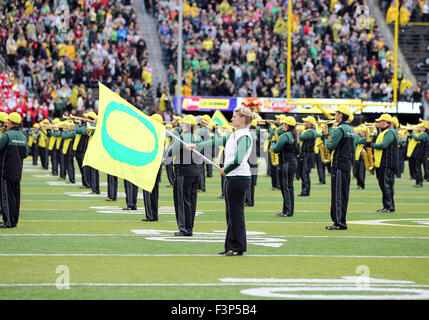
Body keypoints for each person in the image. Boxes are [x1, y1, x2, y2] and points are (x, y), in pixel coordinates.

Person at [191, 106, 258, 256]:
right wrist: (196, 145)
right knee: (230, 213)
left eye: (234, 117)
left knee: (236, 213)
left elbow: (239, 159)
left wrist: (225, 170)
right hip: (232, 177)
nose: (231, 119)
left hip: (239, 178)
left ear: (242, 119)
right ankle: (230, 246)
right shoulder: (234, 134)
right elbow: (217, 141)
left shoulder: (244, 136)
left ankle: (238, 247)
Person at [168, 114, 202, 236]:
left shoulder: (182, 137)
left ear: (186, 125)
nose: (181, 125)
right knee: (192, 202)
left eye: (183, 123)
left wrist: (174, 142)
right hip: (196, 171)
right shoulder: (198, 137)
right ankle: (189, 227)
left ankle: (184, 229)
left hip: (183, 172)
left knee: (182, 201)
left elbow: (170, 152)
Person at [323, 106, 354, 230]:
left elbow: (330, 146)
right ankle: (338, 221)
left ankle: (340, 223)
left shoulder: (341, 129)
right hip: (346, 164)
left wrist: (325, 139)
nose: (335, 115)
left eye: (336, 113)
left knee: (338, 195)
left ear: (341, 115)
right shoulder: (349, 129)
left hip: (339, 165)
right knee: (343, 194)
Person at [0, 113, 28, 229]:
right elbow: (25, 154)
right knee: (15, 197)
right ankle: (14, 220)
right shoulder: (23, 136)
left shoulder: (7, 136)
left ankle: (9, 222)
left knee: (6, 197)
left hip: (5, 170)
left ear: (10, 122)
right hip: (17, 170)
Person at [271, 116, 299, 217]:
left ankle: (288, 211)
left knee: (285, 188)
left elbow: (276, 150)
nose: (282, 125)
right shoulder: (295, 135)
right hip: (293, 162)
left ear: (287, 125)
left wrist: (273, 144)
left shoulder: (284, 136)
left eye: (283, 124)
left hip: (285, 164)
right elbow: (298, 151)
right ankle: (287, 210)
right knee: (289, 187)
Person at [371, 114, 397, 213]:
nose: (379, 123)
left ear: (386, 122)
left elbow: (384, 145)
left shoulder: (390, 132)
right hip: (382, 163)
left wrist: (372, 145)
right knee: (384, 185)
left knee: (386, 185)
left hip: (387, 163)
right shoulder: (384, 132)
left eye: (381, 121)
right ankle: (386, 206)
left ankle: (389, 207)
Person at [142, 114, 165, 222]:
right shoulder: (162, 133)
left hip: (150, 165)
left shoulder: (152, 134)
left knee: (148, 189)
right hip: (157, 165)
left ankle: (150, 215)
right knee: (154, 191)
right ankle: (154, 214)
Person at [298, 116, 317, 196]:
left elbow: (300, 137)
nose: (304, 123)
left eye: (306, 121)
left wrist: (298, 132)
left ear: (310, 123)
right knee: (304, 173)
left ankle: (305, 191)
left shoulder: (310, 132)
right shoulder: (309, 131)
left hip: (307, 155)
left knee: (305, 173)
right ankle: (305, 191)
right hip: (306, 154)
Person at [408, 122, 429, 188]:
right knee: (418, 168)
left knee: (418, 169)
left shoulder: (424, 134)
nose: (419, 128)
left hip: (421, 154)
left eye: (420, 127)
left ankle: (419, 183)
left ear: (424, 128)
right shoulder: (423, 134)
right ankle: (419, 182)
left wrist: (411, 132)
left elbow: (417, 138)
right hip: (421, 154)